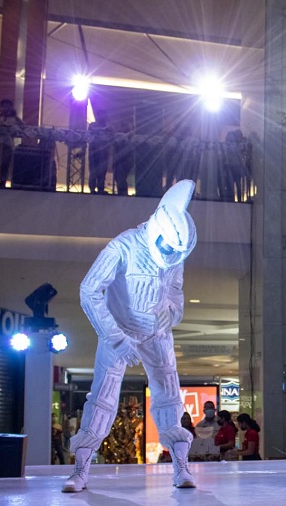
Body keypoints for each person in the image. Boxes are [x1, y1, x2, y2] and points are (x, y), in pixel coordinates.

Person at [63, 180, 199, 492]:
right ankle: (81, 469)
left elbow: (175, 293)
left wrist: (173, 313)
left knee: (169, 396)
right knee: (102, 399)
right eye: (168, 249)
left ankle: (181, 465)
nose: (171, 256)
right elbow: (89, 290)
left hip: (158, 334)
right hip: (120, 331)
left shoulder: (175, 255)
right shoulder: (123, 246)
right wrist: (114, 337)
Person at [0, 98, 24, 188]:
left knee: (5, 163)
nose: (6, 108)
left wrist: (15, 116)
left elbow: (23, 126)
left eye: (8, 106)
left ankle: (3, 182)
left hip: (7, 143)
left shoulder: (14, 118)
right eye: (4, 106)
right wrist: (1, 114)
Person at [87, 118, 111, 194]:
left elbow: (111, 134)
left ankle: (100, 188)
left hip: (103, 152)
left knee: (102, 171)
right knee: (94, 171)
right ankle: (93, 189)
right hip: (94, 152)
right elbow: (90, 131)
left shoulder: (107, 127)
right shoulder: (92, 125)